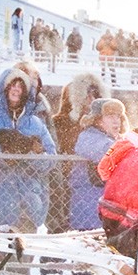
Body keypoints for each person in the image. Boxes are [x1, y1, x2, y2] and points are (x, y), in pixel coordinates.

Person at [0, 67, 58, 234]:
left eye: (21, 86)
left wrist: (27, 154)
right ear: (3, 89)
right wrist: (2, 154)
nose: (16, 89)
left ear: (27, 92)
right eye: (12, 85)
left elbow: (51, 159)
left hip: (26, 207)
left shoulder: (36, 124)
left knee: (22, 250)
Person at [47, 73, 108, 233]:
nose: (91, 99)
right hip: (66, 178)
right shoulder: (61, 122)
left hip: (92, 182)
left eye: (95, 95)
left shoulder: (102, 124)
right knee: (61, 225)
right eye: (87, 95)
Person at [69, 98, 130, 230]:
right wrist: (132, 147)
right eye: (110, 116)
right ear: (97, 120)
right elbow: (107, 152)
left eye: (118, 116)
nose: (116, 121)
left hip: (106, 205)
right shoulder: (88, 137)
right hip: (89, 205)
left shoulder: (117, 140)